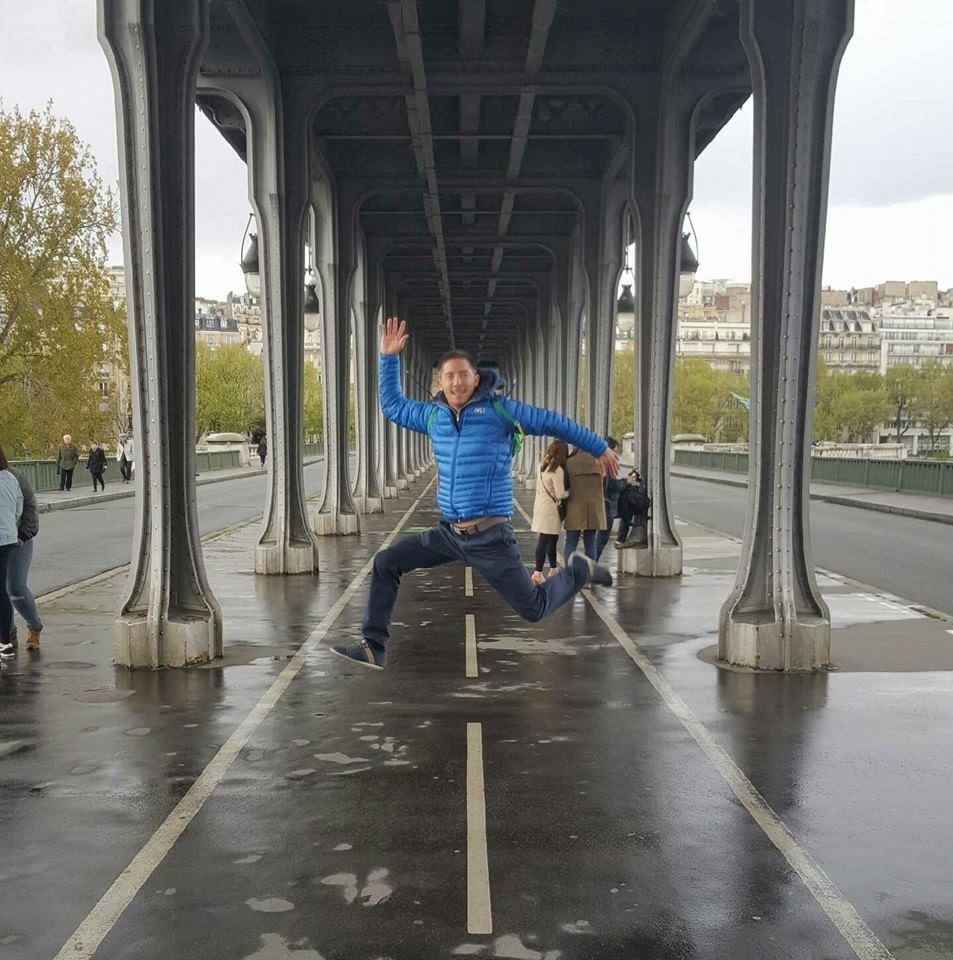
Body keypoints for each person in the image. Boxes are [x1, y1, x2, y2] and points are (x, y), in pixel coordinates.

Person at [330, 317, 620, 670]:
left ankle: (578, 571)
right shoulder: (432, 416)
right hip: (449, 534)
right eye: (449, 376)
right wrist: (388, 358)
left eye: (463, 375)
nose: (457, 382)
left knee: (533, 608)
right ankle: (373, 646)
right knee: (386, 562)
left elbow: (554, 422)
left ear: (476, 379)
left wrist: (599, 446)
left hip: (491, 537)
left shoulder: (500, 412)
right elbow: (393, 406)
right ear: (440, 382)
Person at [3, 468, 42, 651]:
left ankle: (34, 626)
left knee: (15, 587)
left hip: (17, 539)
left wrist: (23, 534)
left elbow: (29, 506)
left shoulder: (14, 477)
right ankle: (7, 633)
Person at [529, 441, 570, 585]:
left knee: (551, 540)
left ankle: (553, 569)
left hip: (540, 506)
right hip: (550, 510)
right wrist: (571, 492)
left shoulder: (541, 465)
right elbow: (560, 494)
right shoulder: (556, 470)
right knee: (545, 541)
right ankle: (537, 573)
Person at [0, 445, 24, 666]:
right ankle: (5, 642)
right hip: (7, 538)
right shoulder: (10, 478)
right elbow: (19, 506)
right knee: (2, 592)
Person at [563, 447, 607, 563]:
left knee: (571, 542)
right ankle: (590, 570)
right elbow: (605, 485)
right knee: (590, 542)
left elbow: (565, 485)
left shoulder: (570, 462)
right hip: (594, 507)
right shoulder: (599, 462)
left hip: (575, 506)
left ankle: (568, 569)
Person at [596, 437, 627, 559]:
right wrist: (626, 482)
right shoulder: (606, 464)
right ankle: (591, 564)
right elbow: (611, 486)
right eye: (615, 452)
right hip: (607, 505)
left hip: (601, 504)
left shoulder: (598, 461)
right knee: (601, 539)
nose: (616, 455)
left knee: (598, 538)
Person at [616, 469, 651, 548]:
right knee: (626, 516)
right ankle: (620, 541)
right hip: (627, 503)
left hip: (625, 503)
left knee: (625, 517)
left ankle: (619, 540)